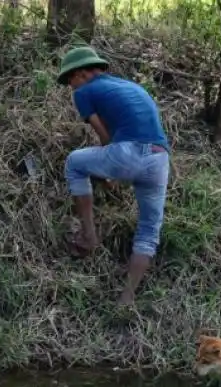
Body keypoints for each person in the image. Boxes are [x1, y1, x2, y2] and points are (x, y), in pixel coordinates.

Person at [57, 46, 170, 306]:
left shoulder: (84, 91)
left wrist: (109, 172)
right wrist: (110, 171)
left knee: (74, 163)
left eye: (70, 80)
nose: (70, 87)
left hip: (129, 152)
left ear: (83, 73)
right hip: (160, 158)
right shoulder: (130, 87)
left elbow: (104, 136)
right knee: (149, 230)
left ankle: (88, 237)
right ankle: (127, 297)